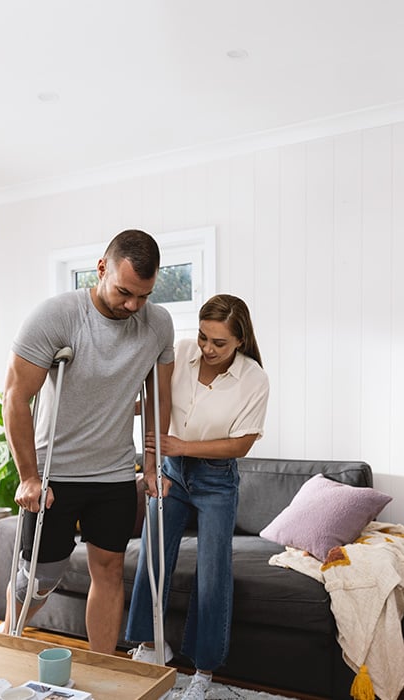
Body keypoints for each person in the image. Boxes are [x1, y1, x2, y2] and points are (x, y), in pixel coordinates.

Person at [0, 229, 174, 655]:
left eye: (143, 296)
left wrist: (152, 466)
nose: (132, 306)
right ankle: (7, 640)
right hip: (55, 473)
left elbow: (160, 398)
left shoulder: (157, 325)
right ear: (101, 269)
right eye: (124, 292)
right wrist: (28, 477)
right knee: (39, 578)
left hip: (113, 474)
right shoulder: (57, 316)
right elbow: (16, 397)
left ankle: (103, 668)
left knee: (110, 570)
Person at [125, 294, 270, 700]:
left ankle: (203, 670)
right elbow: (158, 398)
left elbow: (241, 445)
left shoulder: (253, 379)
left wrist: (181, 448)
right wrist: (122, 408)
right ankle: (152, 645)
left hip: (215, 482)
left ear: (240, 340)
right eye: (204, 337)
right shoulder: (183, 352)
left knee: (212, 573)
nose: (207, 348)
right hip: (172, 473)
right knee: (153, 556)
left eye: (219, 343)